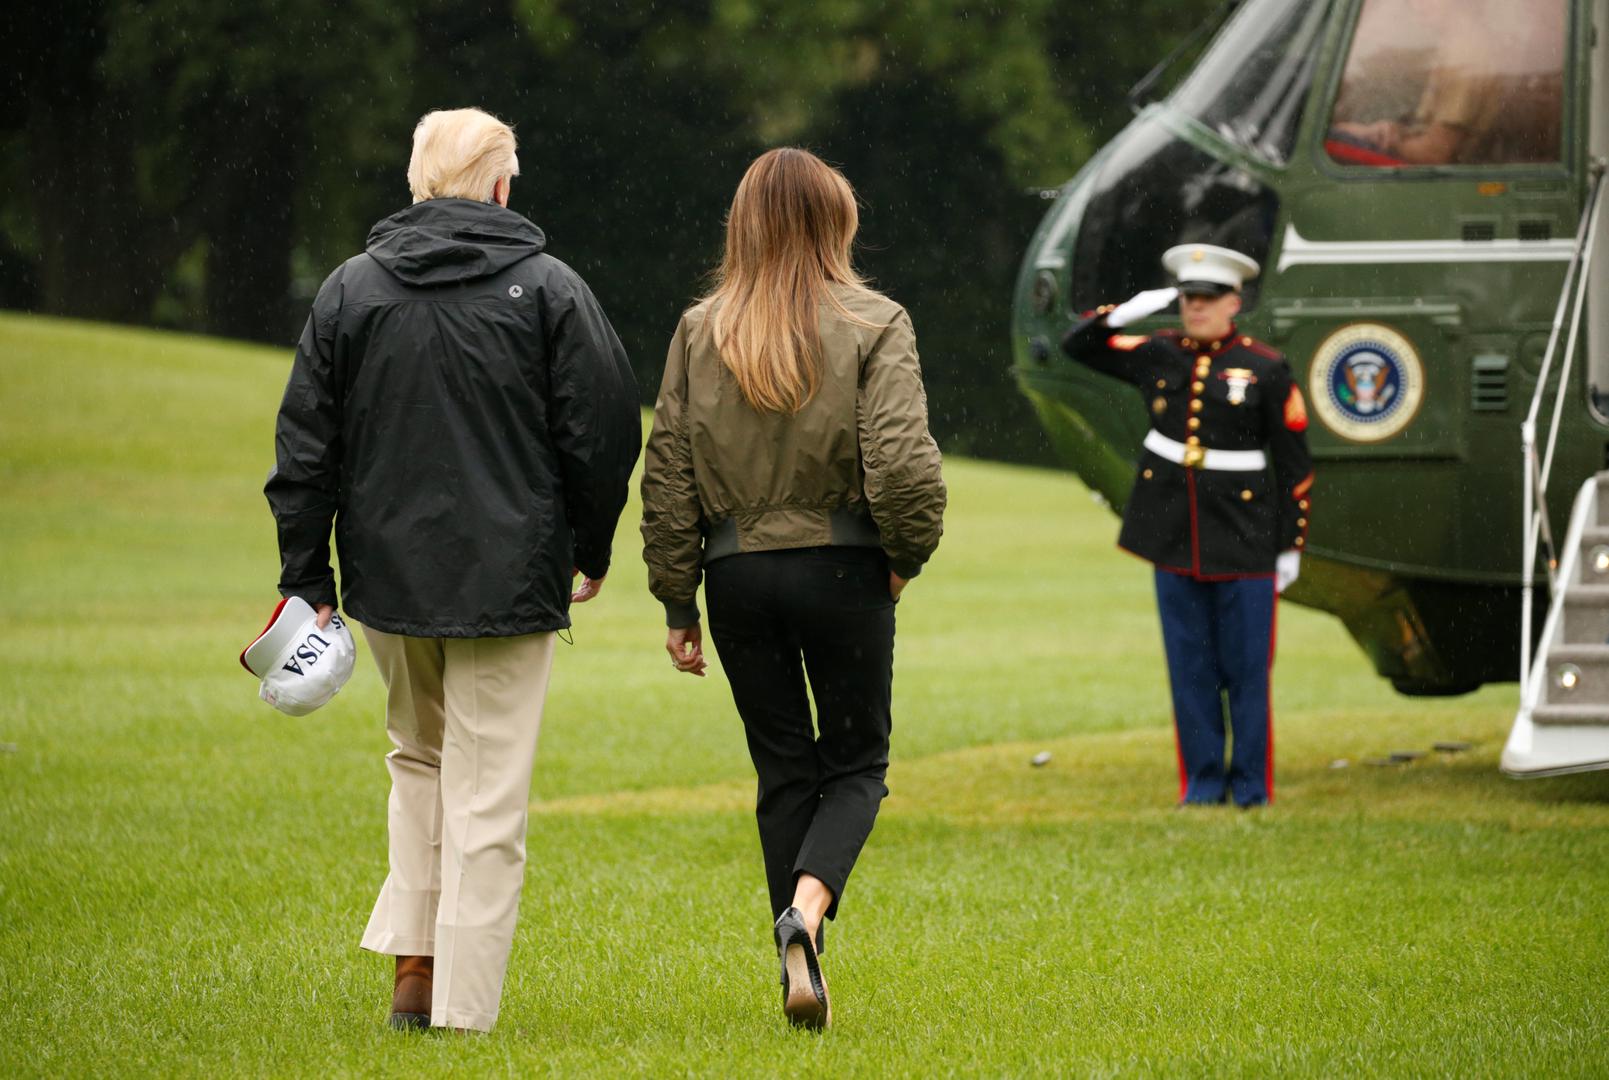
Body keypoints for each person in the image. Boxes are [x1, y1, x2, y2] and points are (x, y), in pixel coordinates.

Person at [263, 107, 641, 1033]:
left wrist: (308, 580)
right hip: (512, 579)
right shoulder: (549, 289)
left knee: (417, 762)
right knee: (486, 788)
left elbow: (304, 447)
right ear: (503, 186)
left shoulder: (351, 291)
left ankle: (417, 971)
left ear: (419, 183)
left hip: (388, 579)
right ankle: (462, 1010)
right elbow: (603, 428)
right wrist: (589, 547)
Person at [640, 147, 945, 1029]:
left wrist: (676, 597)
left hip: (736, 577)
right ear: (834, 223)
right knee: (856, 764)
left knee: (782, 772)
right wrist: (903, 557)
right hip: (843, 567)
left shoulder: (701, 330)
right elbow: (902, 465)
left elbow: (668, 472)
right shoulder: (875, 319)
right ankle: (804, 916)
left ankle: (793, 972)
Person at [1061, 244, 1312, 808]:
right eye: (1187, 298)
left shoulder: (1266, 368)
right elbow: (1078, 346)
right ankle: (1201, 785)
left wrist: (1290, 544)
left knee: (1246, 671)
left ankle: (1250, 787)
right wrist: (1131, 308)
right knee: (1190, 668)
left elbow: (1295, 466)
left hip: (1246, 538)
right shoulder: (1159, 353)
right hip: (1173, 532)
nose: (1195, 309)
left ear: (1234, 302)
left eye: (1207, 299)